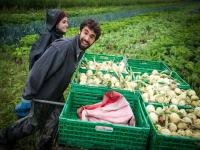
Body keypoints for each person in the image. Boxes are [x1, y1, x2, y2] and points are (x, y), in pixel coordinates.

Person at [0, 19, 101, 150]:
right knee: (33, 123)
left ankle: (44, 143)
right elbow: (37, 71)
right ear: (80, 31)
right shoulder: (62, 47)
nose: (87, 38)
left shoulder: (80, 51)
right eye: (85, 33)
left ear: (94, 40)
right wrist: (27, 97)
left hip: (56, 93)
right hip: (44, 94)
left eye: (92, 37)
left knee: (56, 118)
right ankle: (4, 136)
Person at [15, 9, 68, 118]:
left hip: (52, 83)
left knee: (58, 110)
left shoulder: (57, 36)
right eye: (64, 22)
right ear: (55, 23)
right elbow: (38, 68)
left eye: (66, 21)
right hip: (44, 85)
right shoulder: (47, 39)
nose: (67, 25)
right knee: (43, 117)